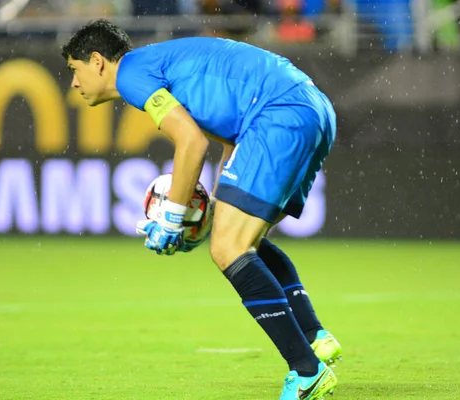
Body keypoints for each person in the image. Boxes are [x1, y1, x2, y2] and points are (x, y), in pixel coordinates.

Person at [60, 19, 342, 399]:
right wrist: (218, 200)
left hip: (279, 113)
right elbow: (228, 134)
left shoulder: (130, 76)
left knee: (229, 249)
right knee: (242, 241)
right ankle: (313, 336)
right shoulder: (158, 64)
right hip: (311, 109)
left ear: (97, 61)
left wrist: (173, 217)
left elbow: (191, 143)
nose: (74, 84)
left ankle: (307, 370)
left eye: (75, 71)